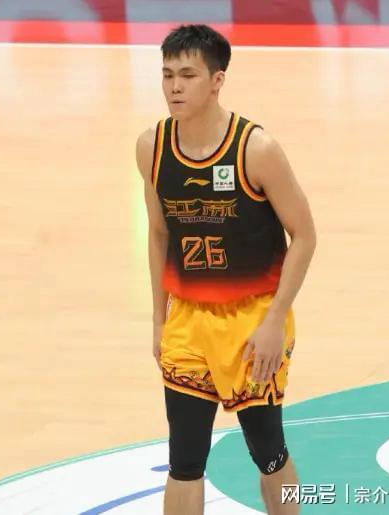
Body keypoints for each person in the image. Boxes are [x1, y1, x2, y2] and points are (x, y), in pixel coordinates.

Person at [135, 24, 316, 515]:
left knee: (268, 451)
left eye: (188, 75)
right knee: (184, 460)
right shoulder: (152, 146)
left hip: (252, 320)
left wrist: (275, 321)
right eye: (168, 75)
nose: (174, 87)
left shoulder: (256, 149)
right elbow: (159, 234)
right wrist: (159, 319)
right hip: (188, 320)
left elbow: (304, 235)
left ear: (217, 80)